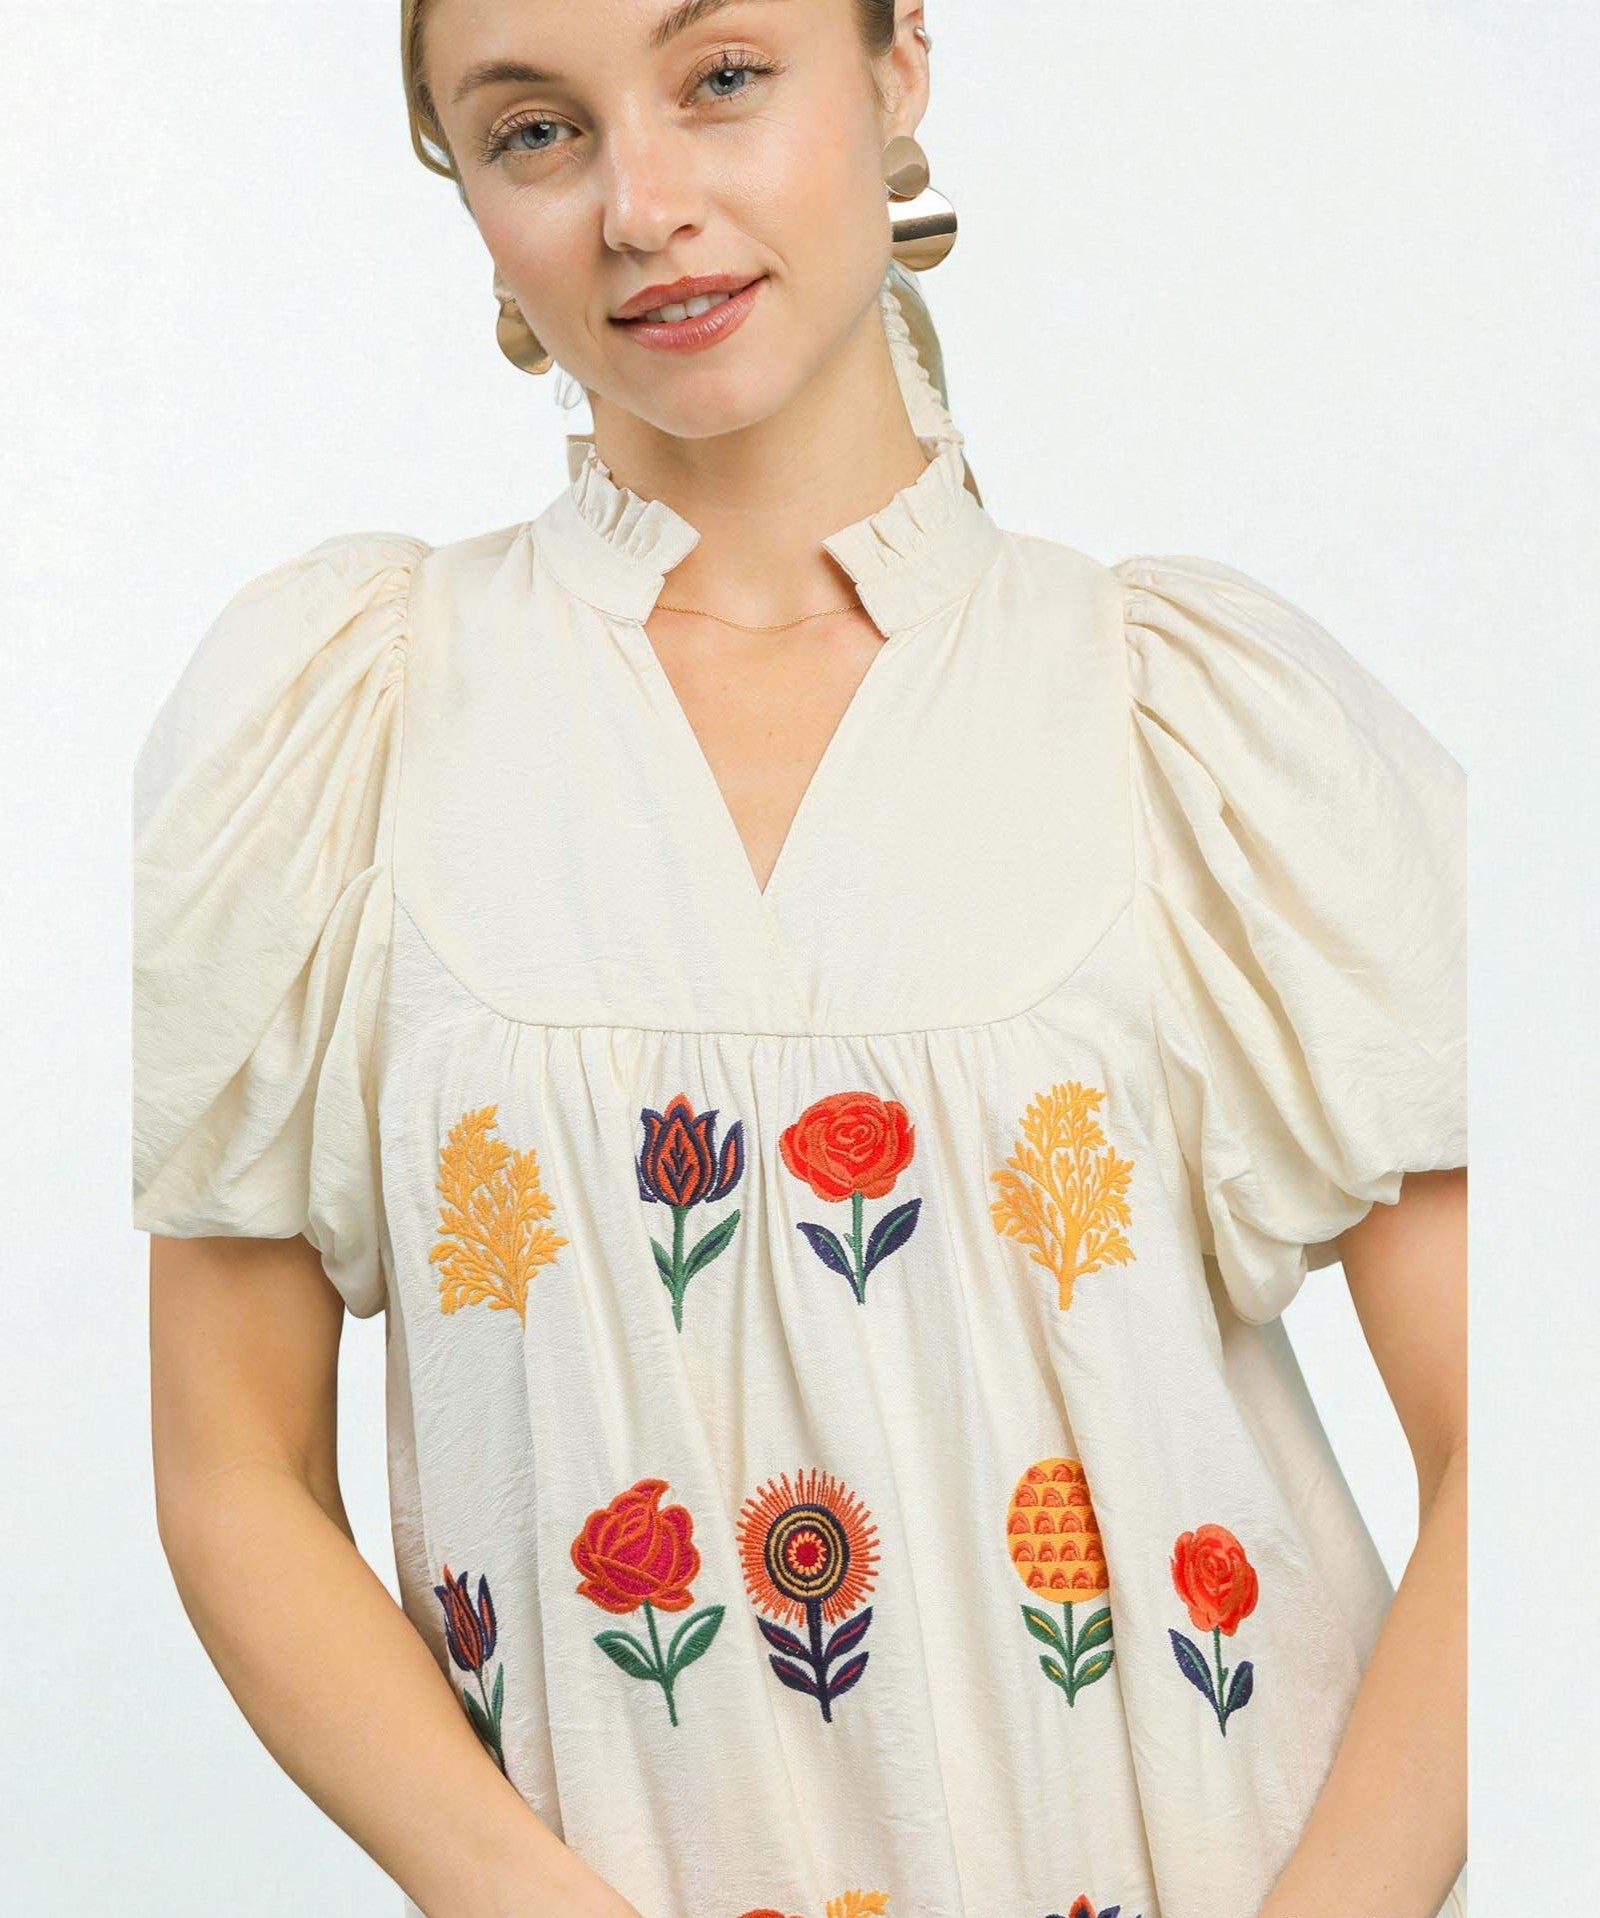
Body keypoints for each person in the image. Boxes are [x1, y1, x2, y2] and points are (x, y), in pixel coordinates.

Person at [131, 4, 1469, 1916]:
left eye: (725, 78)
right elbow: (231, 1475)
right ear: (465, 184)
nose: (641, 205)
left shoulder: (1177, 715)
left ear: (899, 60)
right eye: (534, 132)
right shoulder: (352, 721)